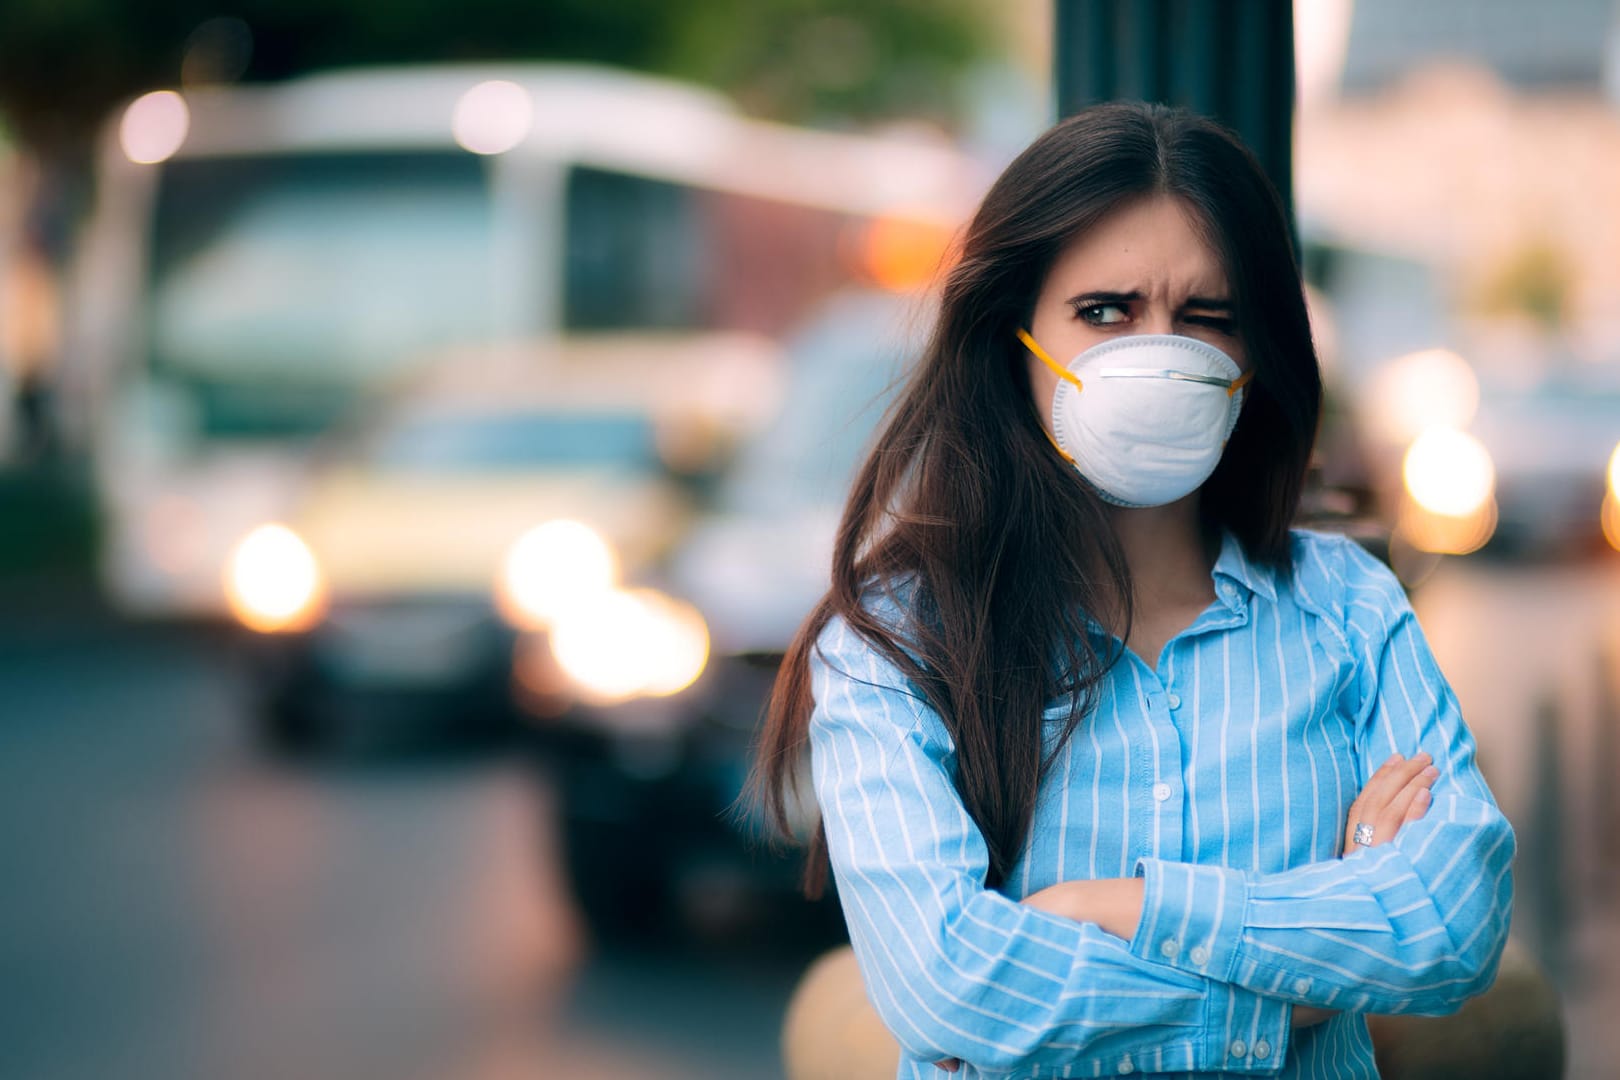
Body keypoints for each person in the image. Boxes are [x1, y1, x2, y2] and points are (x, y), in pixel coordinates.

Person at [752, 101, 1515, 1079]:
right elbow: (949, 984)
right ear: (1012, 333)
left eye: (1207, 317)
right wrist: (1306, 981)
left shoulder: (1349, 607)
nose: (1161, 352)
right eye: (1106, 311)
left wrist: (1118, 908)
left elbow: (1454, 923)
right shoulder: (897, 642)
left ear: (1255, 356)